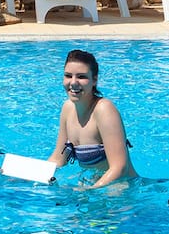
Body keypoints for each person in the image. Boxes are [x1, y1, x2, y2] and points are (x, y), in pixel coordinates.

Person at [44, 49, 134, 187]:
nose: (73, 82)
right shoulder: (67, 109)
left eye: (81, 77)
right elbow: (58, 158)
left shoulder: (104, 109)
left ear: (94, 80)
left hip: (122, 189)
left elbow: (119, 168)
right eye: (68, 76)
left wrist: (90, 191)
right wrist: (31, 176)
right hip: (95, 185)